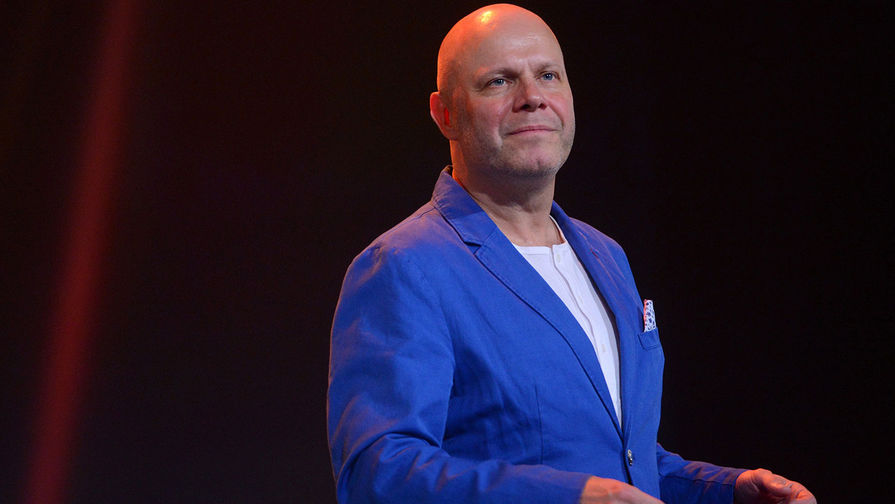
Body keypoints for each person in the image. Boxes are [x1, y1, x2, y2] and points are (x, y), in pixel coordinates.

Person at [327, 4, 816, 503]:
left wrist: (727, 492)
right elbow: (378, 475)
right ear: (445, 114)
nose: (532, 97)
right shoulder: (404, 267)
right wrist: (572, 497)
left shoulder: (606, 256)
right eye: (499, 81)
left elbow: (625, 462)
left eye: (548, 75)